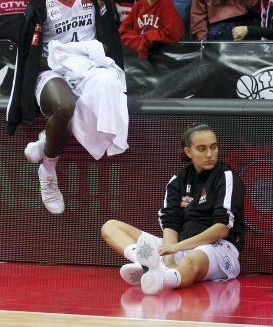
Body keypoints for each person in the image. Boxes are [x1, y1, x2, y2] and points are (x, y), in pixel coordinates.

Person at [6, 0, 125, 214]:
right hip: (53, 69)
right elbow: (31, 52)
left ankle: (46, 139)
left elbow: (109, 35)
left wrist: (92, 54)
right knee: (64, 106)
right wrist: (62, 59)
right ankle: (48, 173)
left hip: (89, 66)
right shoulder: (39, 3)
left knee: (110, 87)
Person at [101, 124, 244, 295]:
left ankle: (162, 278)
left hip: (216, 248)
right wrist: (169, 257)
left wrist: (176, 248)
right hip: (178, 247)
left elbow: (221, 229)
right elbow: (170, 223)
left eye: (213, 147)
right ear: (188, 152)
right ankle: (149, 265)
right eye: (202, 148)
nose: (209, 154)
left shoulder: (226, 176)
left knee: (193, 259)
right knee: (110, 227)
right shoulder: (178, 180)